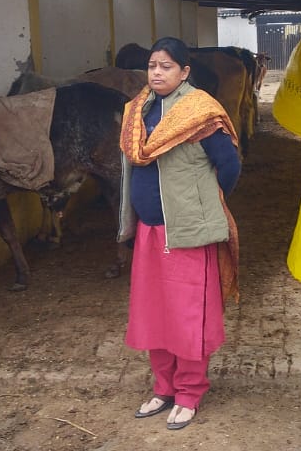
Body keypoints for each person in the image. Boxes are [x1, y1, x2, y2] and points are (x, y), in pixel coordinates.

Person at [118, 37, 242, 431]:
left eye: (166, 66)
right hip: (149, 230)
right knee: (154, 312)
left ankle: (189, 391)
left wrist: (202, 201)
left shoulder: (200, 111)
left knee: (189, 316)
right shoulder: (139, 109)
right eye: (152, 65)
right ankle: (164, 387)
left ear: (185, 71)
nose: (156, 72)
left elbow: (229, 166)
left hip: (188, 231)